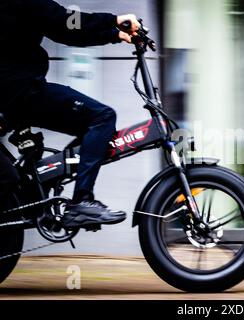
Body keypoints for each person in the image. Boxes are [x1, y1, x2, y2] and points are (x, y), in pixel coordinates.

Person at [0, 0, 141, 227]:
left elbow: (69, 33)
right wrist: (113, 20)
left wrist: (115, 35)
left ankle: (40, 197)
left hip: (15, 91)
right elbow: (66, 22)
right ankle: (81, 203)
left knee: (91, 129)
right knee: (101, 118)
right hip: (20, 91)